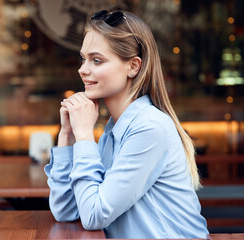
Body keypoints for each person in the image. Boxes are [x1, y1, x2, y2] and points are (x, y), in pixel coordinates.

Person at [44, 9, 209, 239]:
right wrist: (68, 137)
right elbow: (67, 211)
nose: (83, 69)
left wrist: (84, 136)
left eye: (97, 60)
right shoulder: (115, 129)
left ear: (133, 66)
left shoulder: (150, 128)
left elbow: (93, 216)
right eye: (83, 58)